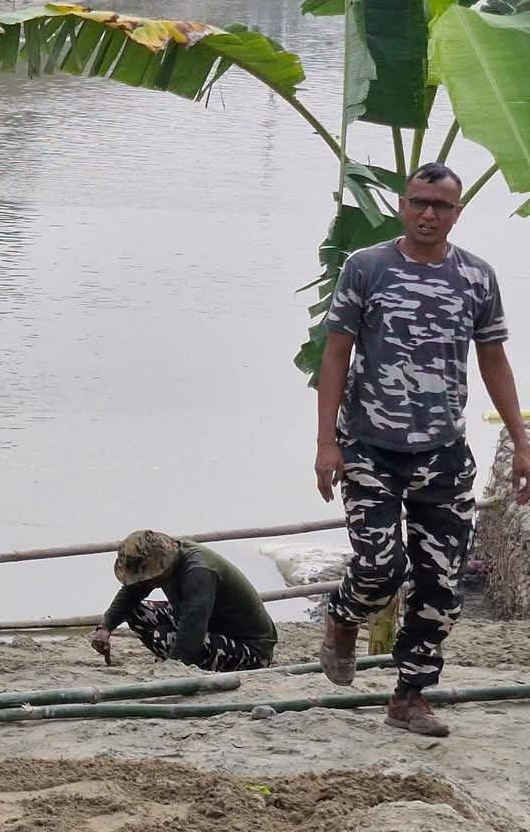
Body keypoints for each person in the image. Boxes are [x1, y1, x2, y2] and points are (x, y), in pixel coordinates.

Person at [316, 161, 530, 738]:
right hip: (369, 448)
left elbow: (493, 360)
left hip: (442, 453)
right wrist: (326, 444)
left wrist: (521, 438)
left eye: (441, 206)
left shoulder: (477, 278)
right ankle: (343, 616)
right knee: (381, 567)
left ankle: (410, 695)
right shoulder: (367, 268)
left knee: (442, 581)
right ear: (403, 206)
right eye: (419, 203)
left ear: (457, 213)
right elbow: (335, 355)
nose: (429, 214)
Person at [90, 530, 277, 671]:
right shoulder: (172, 558)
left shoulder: (198, 572)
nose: (147, 581)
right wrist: (105, 627)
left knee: (163, 638)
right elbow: (131, 594)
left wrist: (172, 669)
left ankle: (179, 663)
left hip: (250, 650)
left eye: (148, 575)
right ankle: (175, 659)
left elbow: (192, 630)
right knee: (136, 612)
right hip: (205, 625)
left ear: (163, 564)